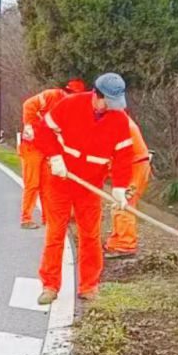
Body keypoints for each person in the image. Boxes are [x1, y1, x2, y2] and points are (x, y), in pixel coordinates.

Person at [33, 73, 135, 304]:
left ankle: (89, 286)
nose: (111, 108)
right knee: (55, 233)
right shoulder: (70, 105)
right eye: (108, 102)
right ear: (96, 95)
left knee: (90, 235)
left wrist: (119, 187)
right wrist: (55, 157)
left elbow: (123, 156)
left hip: (90, 186)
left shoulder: (119, 119)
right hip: (61, 181)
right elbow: (43, 131)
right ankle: (50, 285)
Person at [19, 78, 86, 229]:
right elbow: (28, 105)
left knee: (48, 185)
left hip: (48, 149)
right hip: (32, 146)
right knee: (32, 183)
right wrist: (31, 124)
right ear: (66, 91)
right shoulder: (50, 95)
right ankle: (26, 218)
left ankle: (47, 217)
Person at [104, 116, 151, 258]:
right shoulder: (115, 119)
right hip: (133, 164)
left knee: (124, 204)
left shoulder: (118, 125)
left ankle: (125, 245)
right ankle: (116, 242)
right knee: (119, 205)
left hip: (134, 167)